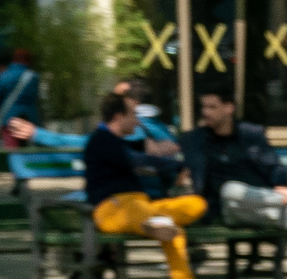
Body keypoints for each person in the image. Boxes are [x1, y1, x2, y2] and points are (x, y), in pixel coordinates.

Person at [180, 84, 287, 279]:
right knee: (231, 189)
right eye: (204, 106)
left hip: (264, 205)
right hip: (231, 208)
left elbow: (273, 166)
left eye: (212, 107)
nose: (206, 112)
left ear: (229, 108)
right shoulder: (195, 139)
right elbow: (170, 158)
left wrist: (280, 185)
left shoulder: (250, 134)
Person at [86, 90, 219, 279]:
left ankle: (156, 222)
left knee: (196, 203)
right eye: (133, 115)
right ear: (119, 117)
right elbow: (140, 161)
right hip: (113, 209)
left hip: (142, 206)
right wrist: (178, 165)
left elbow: (144, 157)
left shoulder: (120, 143)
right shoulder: (101, 142)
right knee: (172, 231)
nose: (137, 121)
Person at [11, 79, 180, 196]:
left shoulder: (133, 130)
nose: (111, 102)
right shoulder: (159, 128)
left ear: (132, 103)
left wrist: (39, 134)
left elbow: (85, 143)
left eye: (117, 98)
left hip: (130, 197)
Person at [0, 49, 39, 141]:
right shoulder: (33, 77)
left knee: (11, 149)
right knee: (29, 151)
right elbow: (35, 97)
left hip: (9, 118)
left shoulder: (4, 75)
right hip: (29, 118)